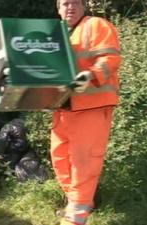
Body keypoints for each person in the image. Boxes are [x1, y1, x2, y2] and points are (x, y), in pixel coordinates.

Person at [52, 1, 122, 224]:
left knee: (84, 162)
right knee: (60, 158)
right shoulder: (58, 34)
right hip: (64, 107)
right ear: (58, 9)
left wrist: (90, 75)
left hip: (92, 105)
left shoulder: (96, 25)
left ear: (83, 6)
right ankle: (80, 203)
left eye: (74, 3)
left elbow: (111, 58)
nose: (69, 7)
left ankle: (75, 217)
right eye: (64, 4)